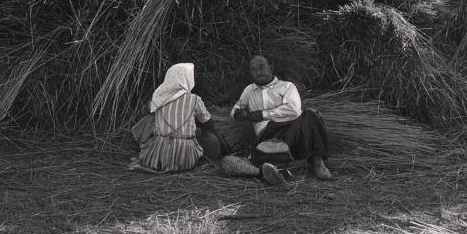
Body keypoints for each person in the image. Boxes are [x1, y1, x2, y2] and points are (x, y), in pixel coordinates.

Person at [231, 55, 331, 183]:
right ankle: (275, 169)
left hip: (293, 129)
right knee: (270, 146)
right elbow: (236, 108)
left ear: (271, 68)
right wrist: (237, 113)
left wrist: (261, 115)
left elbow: (293, 110)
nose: (258, 72)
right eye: (253, 69)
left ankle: (317, 161)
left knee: (310, 114)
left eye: (261, 68)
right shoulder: (249, 90)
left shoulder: (287, 86)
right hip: (268, 132)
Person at [134, 63, 221, 173]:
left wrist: (155, 105)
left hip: (158, 157)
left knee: (150, 118)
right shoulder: (194, 99)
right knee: (206, 132)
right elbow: (209, 124)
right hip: (185, 159)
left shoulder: (159, 98)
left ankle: (144, 147)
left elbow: (143, 112)